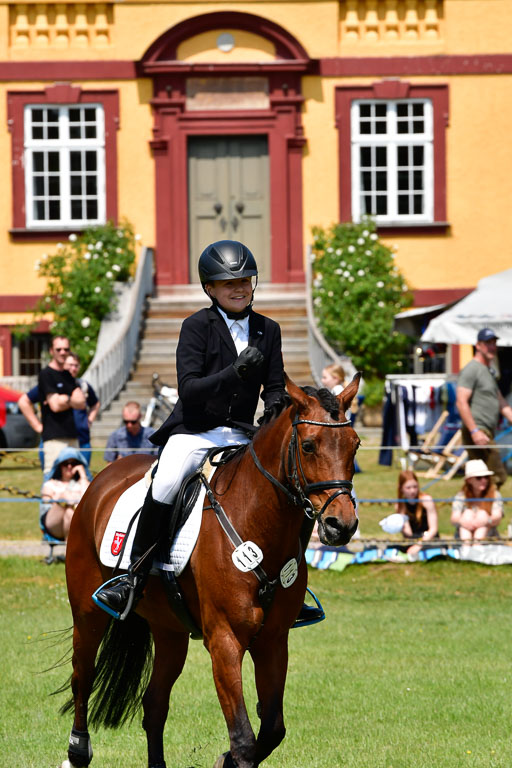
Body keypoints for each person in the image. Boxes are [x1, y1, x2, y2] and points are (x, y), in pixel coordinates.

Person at [95, 239, 323, 625]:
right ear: (210, 288)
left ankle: (291, 583)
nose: (239, 288)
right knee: (166, 481)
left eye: (245, 280)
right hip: (195, 431)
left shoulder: (269, 329)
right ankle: (133, 576)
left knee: (291, 487)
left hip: (242, 433)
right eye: (228, 283)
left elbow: (275, 386)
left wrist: (273, 408)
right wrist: (234, 374)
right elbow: (189, 389)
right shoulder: (196, 326)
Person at [18, 336, 86, 478]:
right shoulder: (46, 374)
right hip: (53, 438)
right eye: (58, 349)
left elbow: (81, 403)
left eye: (66, 349)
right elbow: (53, 406)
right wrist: (37, 426)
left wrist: (63, 399)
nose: (63, 352)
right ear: (51, 351)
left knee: (76, 482)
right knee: (52, 481)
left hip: (72, 436)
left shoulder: (68, 375)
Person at [21, 352, 100, 469]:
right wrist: (38, 426)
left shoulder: (83, 385)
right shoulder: (50, 384)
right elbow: (24, 402)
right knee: (52, 478)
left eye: (76, 365)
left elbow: (95, 404)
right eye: (70, 365)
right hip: (55, 437)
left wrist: (89, 421)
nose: (73, 368)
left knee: (82, 480)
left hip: (81, 439)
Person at [456, 327, 512, 487]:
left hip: (486, 431)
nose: (492, 346)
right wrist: (474, 431)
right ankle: (484, 508)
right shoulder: (472, 369)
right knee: (494, 475)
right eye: (488, 342)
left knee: (483, 477)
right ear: (478, 345)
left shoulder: (489, 372)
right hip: (478, 430)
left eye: (494, 343)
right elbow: (461, 401)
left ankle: (481, 508)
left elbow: (502, 404)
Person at [40, 447, 91, 541]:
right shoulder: (50, 484)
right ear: (59, 466)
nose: (69, 467)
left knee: (69, 512)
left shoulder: (83, 483)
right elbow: (46, 503)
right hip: (53, 523)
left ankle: (68, 549)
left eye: (73, 463)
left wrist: (83, 475)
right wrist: (62, 497)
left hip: (78, 521)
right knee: (65, 497)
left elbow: (88, 499)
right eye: (65, 463)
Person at [321, 363, 361, 473]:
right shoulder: (337, 390)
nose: (322, 380)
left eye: (325, 377)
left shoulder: (338, 392)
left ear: (335, 378)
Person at [451, 459, 503, 541]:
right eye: (479, 478)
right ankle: (467, 547)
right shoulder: (461, 496)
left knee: (482, 514)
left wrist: (487, 520)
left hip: (487, 534)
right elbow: (454, 518)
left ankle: (476, 547)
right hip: (465, 532)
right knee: (467, 514)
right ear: (469, 480)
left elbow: (497, 517)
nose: (484, 480)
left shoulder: (495, 494)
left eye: (486, 477)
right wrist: (463, 521)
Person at [395, 470, 438, 542]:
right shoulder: (400, 505)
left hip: (430, 539)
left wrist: (420, 544)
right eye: (408, 488)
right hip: (413, 540)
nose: (412, 491)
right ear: (401, 488)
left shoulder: (427, 501)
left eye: (415, 487)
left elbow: (433, 529)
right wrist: (399, 526)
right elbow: (408, 533)